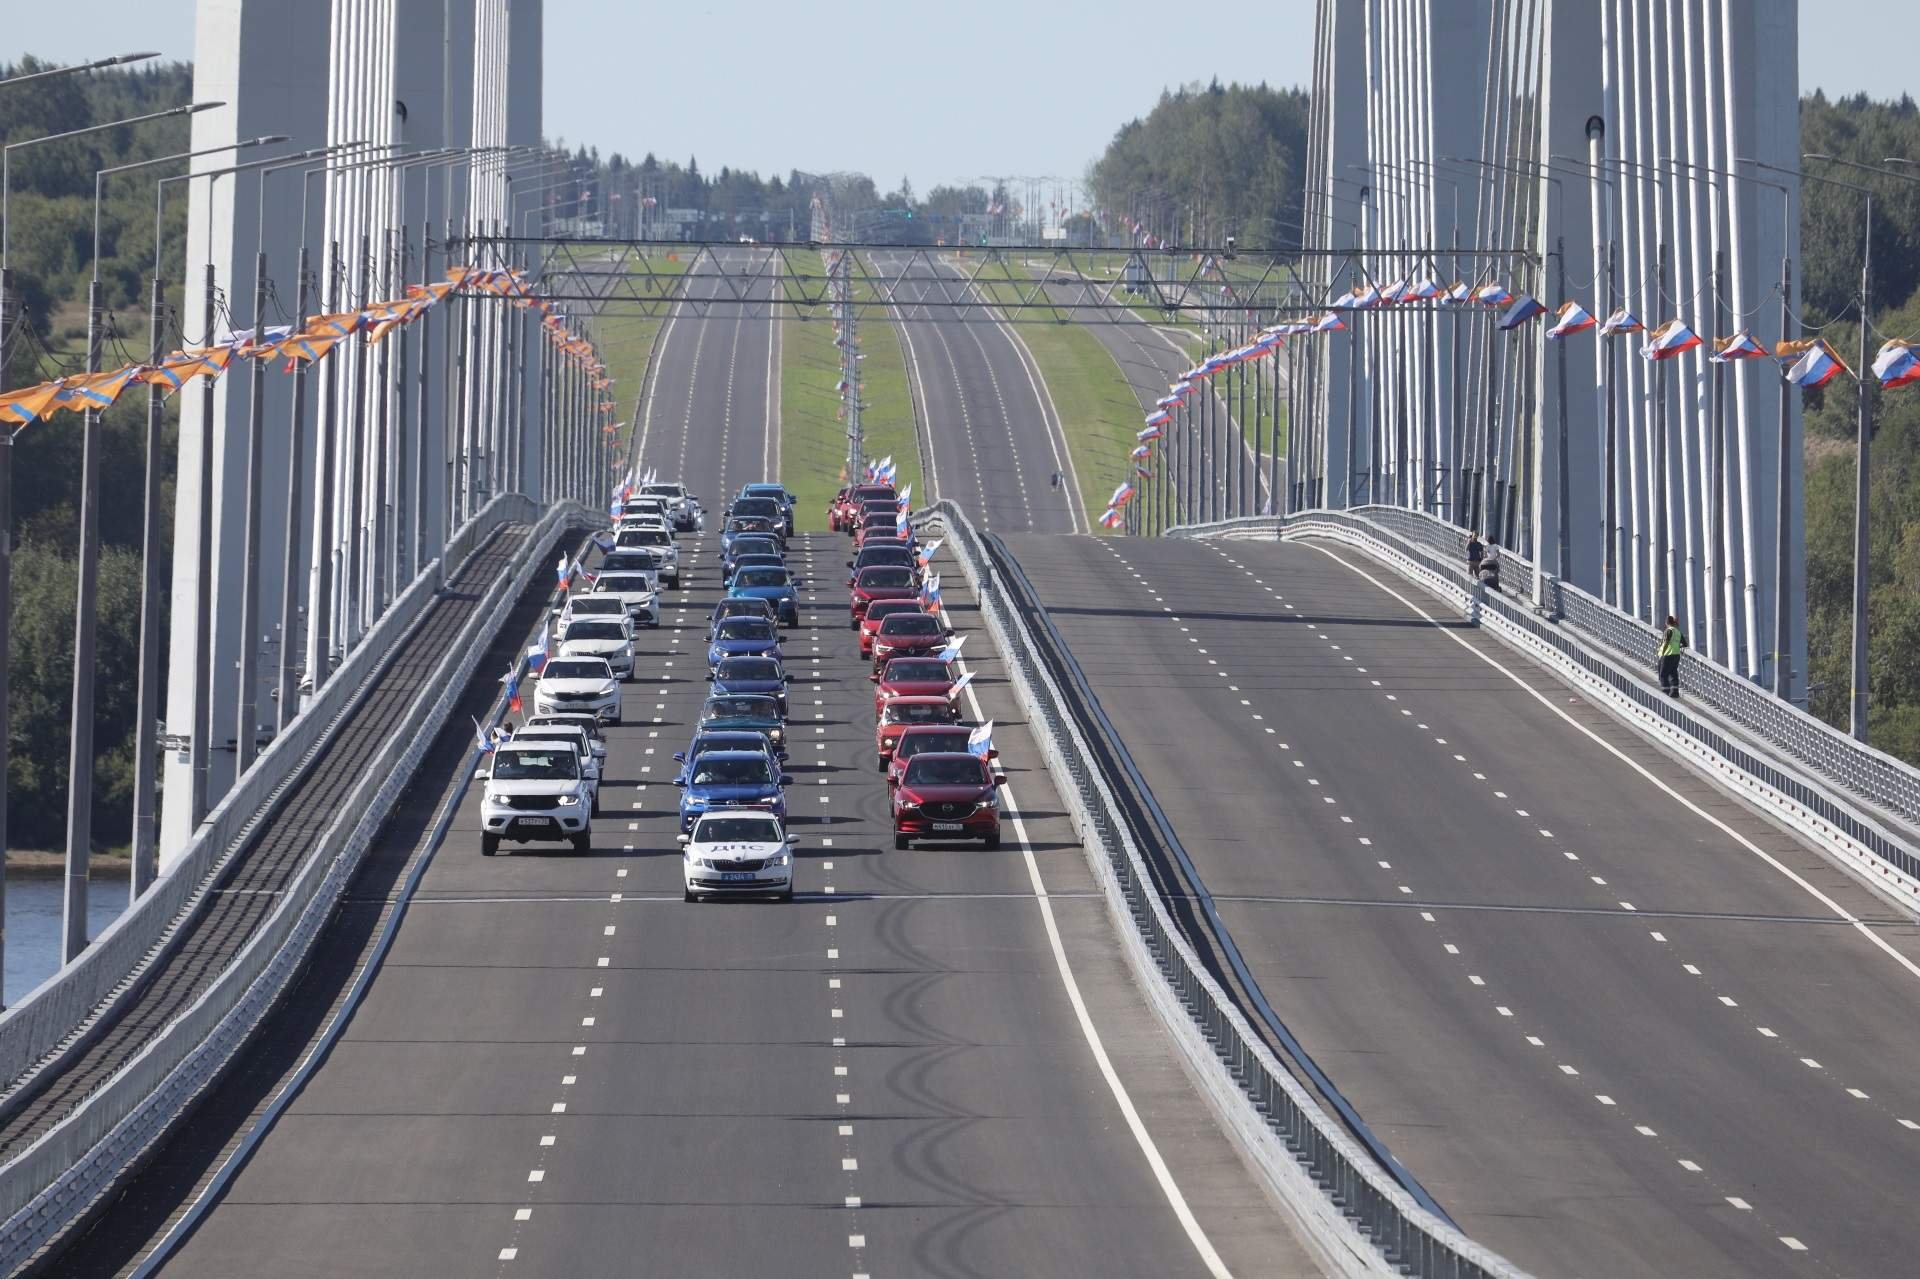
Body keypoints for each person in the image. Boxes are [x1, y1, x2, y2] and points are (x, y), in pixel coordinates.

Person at [1658, 615, 1687, 698]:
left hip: (1667, 655)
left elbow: (1666, 642)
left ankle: (1665, 691)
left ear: (1666, 623)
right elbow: (1685, 644)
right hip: (1676, 655)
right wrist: (1678, 646)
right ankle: (1675, 691)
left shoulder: (1668, 631)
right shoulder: (1678, 632)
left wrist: (1662, 653)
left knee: (1663, 674)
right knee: (1673, 672)